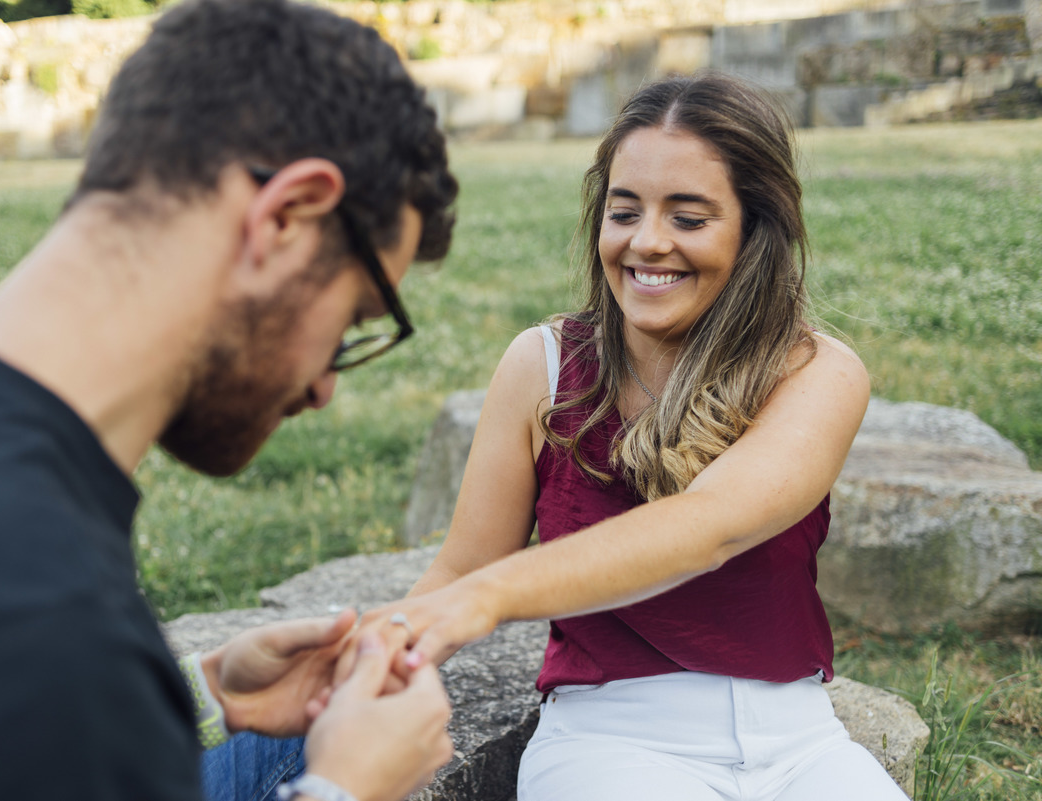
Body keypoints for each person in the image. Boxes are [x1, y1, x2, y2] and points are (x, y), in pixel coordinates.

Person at [0, 0, 459, 799]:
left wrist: (192, 696)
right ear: (286, 216)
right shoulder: (52, 635)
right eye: (352, 320)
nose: (325, 384)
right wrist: (341, 791)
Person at [343, 73, 910, 800]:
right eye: (624, 211)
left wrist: (492, 596)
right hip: (610, 742)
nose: (647, 243)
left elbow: (709, 526)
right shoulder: (541, 366)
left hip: (800, 743)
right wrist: (380, 647)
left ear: (755, 230)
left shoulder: (817, 372)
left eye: (690, 217)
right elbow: (461, 568)